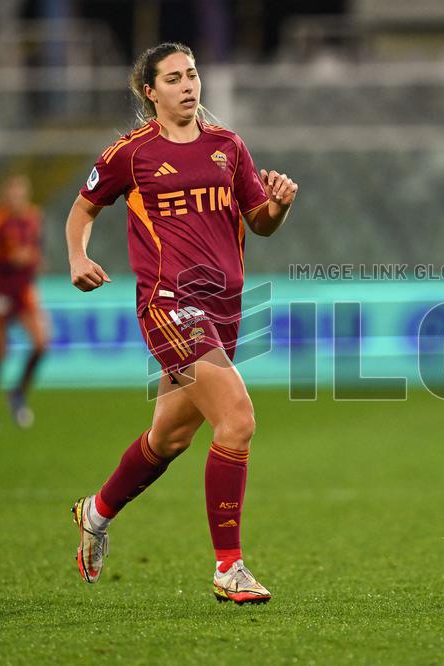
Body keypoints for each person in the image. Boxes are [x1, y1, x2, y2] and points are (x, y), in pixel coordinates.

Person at [65, 42, 297, 605]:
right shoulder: (132, 152)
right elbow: (83, 208)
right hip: (169, 306)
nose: (188, 85)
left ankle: (94, 513)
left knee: (169, 437)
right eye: (174, 78)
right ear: (151, 92)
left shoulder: (228, 147)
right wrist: (78, 256)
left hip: (224, 310)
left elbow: (259, 225)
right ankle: (229, 567)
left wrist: (279, 205)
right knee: (237, 419)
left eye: (192, 74)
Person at [0, 174, 49, 434]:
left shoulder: (33, 217)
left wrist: (35, 260)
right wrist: (7, 262)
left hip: (23, 292)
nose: (18, 199)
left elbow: (37, 247)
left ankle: (17, 393)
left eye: (22, 193)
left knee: (40, 344)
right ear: (5, 196)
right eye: (13, 194)